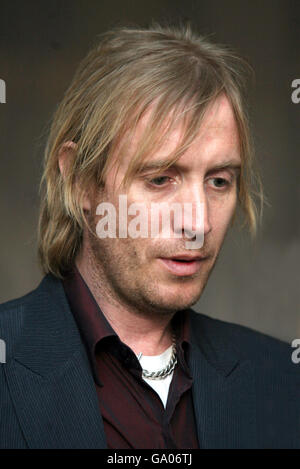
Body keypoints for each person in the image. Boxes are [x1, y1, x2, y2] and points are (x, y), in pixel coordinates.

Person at [0, 24, 299, 449]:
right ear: (82, 181)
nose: (197, 223)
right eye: (160, 178)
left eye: (218, 181)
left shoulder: (283, 380)